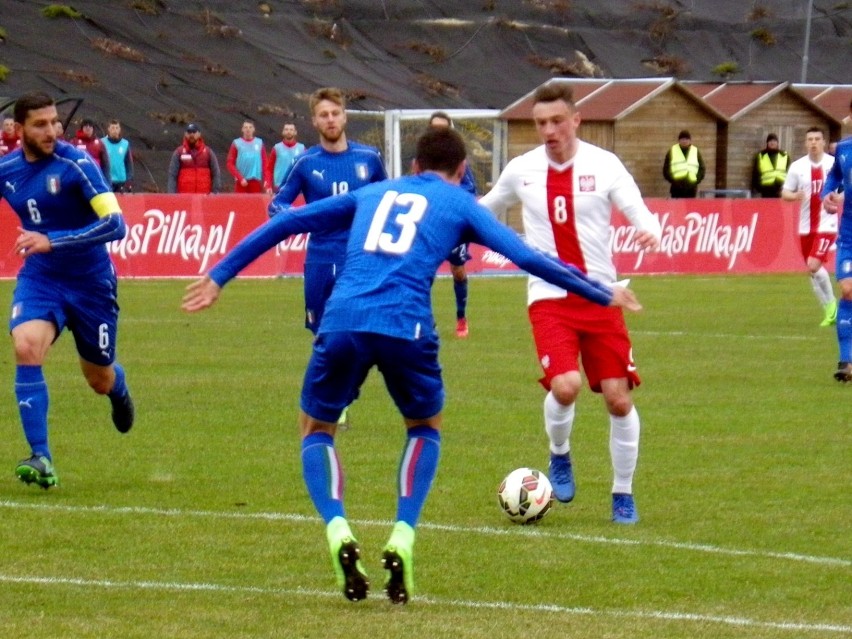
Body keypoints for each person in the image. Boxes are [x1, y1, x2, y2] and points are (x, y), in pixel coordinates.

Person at [182, 126, 643, 604]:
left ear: (415, 166)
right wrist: (600, 290)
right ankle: (402, 533)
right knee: (424, 426)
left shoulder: (373, 191)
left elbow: (285, 224)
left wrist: (219, 275)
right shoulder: (461, 204)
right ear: (462, 172)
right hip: (407, 326)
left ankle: (338, 527)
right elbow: (531, 257)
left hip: (343, 320)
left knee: (316, 429)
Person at [479, 83, 662, 525]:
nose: (549, 130)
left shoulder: (605, 165)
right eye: (541, 123)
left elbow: (639, 212)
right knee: (565, 386)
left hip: (601, 296)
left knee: (618, 401)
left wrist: (649, 229)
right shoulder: (521, 170)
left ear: (576, 120)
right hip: (549, 298)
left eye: (557, 121)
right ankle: (559, 454)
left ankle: (622, 492)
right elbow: (484, 210)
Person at [0, 91, 135, 489]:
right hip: (41, 277)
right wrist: (45, 248)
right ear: (18, 129)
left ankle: (118, 386)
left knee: (99, 378)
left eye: (54, 122)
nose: (51, 130)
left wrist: (52, 240)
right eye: (40, 124)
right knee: (25, 345)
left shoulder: (78, 163)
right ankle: (41, 457)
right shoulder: (6, 168)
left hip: (91, 283)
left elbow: (116, 225)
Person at [269, 86, 387, 336]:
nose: (330, 119)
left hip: (360, 258)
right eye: (324, 115)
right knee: (322, 338)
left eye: (335, 113)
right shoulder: (305, 162)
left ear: (345, 116)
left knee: (359, 336)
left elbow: (388, 202)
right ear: (314, 121)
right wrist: (299, 218)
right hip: (321, 258)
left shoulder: (369, 157)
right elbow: (276, 205)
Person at [427, 111, 477, 338]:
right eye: (434, 128)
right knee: (423, 271)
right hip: (428, 225)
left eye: (442, 129)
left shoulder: (458, 160)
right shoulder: (421, 159)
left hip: (453, 226)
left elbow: (470, 189)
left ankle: (461, 317)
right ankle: (426, 321)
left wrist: (448, 194)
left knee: (457, 270)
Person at [781, 126, 837, 328]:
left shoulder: (833, 164)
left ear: (823, 142)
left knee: (814, 265)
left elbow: (846, 188)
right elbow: (785, 193)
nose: (813, 142)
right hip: (805, 227)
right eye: (810, 139)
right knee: (813, 271)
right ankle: (830, 313)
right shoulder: (797, 167)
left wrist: (838, 198)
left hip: (827, 224)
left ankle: (832, 307)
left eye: (817, 139)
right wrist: (794, 196)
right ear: (805, 143)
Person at [821, 98, 852, 382]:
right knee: (847, 290)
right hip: (849, 234)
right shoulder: (843, 150)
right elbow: (833, 180)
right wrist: (827, 196)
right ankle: (846, 361)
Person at [167, 123, 222, 194]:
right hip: (184, 198)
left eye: (194, 132)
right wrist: (172, 195)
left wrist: (215, 192)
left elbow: (216, 173)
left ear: (199, 134)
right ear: (185, 134)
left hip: (204, 197)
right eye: (189, 132)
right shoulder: (179, 152)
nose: (191, 134)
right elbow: (172, 175)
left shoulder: (208, 152)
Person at [226, 118, 269, 193]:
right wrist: (240, 178)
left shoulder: (259, 143)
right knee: (240, 204)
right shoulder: (236, 143)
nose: (248, 129)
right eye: (245, 127)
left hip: (255, 180)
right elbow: (229, 163)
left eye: (250, 127)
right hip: (241, 182)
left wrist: (266, 180)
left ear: (254, 129)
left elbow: (265, 164)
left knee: (255, 203)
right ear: (242, 129)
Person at [663, 129, 704, 198]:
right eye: (682, 139)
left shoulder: (695, 151)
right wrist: (673, 181)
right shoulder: (672, 151)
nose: (684, 141)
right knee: (677, 208)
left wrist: (696, 181)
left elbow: (702, 169)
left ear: (690, 140)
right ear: (679, 140)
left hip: (691, 188)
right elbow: (666, 169)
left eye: (686, 139)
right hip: (676, 188)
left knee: (690, 208)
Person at [267, 121, 305, 193]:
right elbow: (269, 169)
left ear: (295, 132)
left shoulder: (302, 149)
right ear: (283, 132)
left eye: (291, 130)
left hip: (297, 187)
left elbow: (306, 169)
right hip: (280, 186)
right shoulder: (276, 148)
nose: (288, 132)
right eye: (286, 129)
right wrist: (268, 185)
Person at [751, 133, 789, 198]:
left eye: (774, 141)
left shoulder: (784, 155)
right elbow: (755, 173)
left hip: (781, 189)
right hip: (766, 190)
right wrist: (757, 188)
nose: (772, 143)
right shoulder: (761, 156)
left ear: (777, 143)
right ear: (767, 143)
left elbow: (789, 172)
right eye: (770, 141)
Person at [101, 118, 134, 193]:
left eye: (117, 128)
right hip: (107, 180)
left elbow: (129, 163)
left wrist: (129, 180)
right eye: (112, 128)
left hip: (121, 181)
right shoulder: (102, 142)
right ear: (108, 129)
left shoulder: (125, 144)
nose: (115, 130)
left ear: (119, 130)